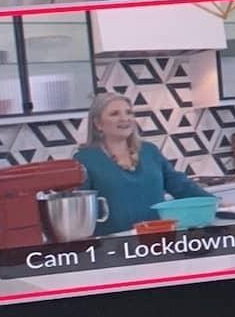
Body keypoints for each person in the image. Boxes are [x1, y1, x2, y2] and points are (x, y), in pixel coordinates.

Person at [73, 92, 213, 234]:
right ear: (98, 123)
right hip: (114, 244)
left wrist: (214, 203)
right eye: (114, 114)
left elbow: (180, 185)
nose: (124, 118)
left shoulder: (149, 151)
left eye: (129, 112)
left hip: (158, 238)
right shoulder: (84, 160)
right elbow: (79, 212)